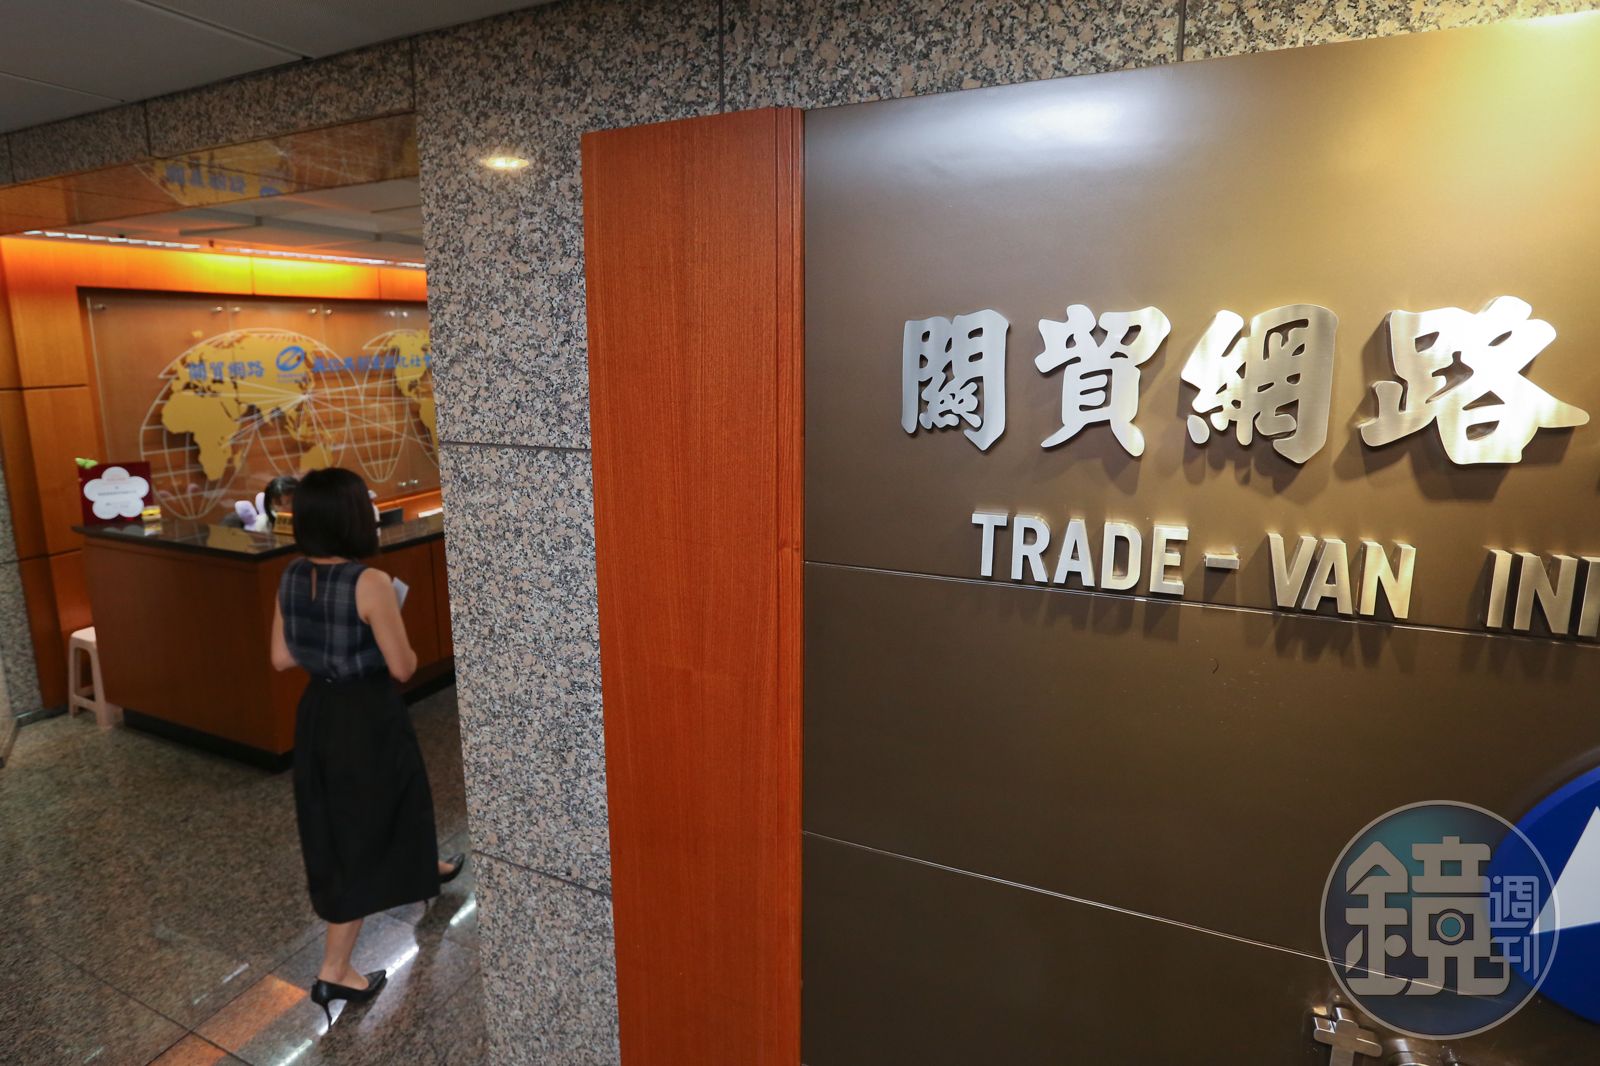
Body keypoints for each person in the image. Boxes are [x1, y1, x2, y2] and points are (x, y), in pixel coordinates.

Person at [269, 467, 463, 1022]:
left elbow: (281, 658)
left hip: (318, 713)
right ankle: (335, 969)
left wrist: (329, 646)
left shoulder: (291, 575)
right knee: (366, 819)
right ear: (353, 518)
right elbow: (403, 666)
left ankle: (424, 866)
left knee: (367, 807)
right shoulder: (370, 583)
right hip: (366, 715)